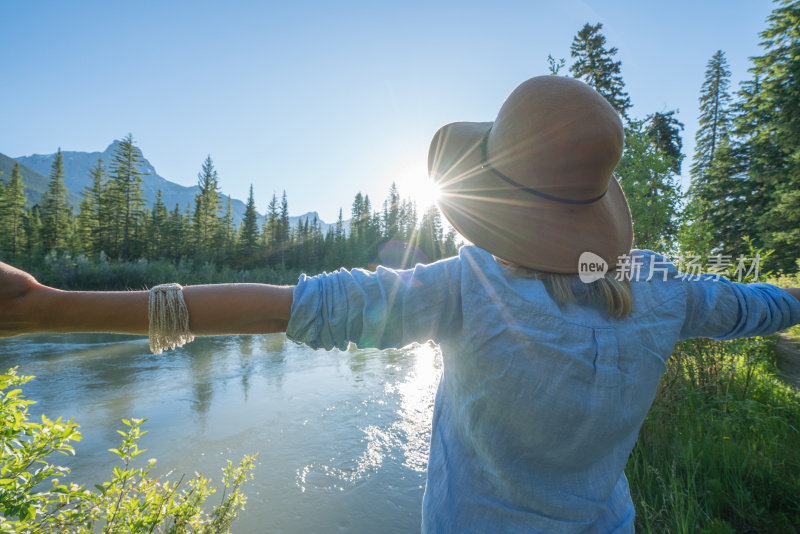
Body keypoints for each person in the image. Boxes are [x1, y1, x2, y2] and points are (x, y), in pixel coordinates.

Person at [1, 75, 799, 533]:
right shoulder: (665, 290)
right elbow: (758, 306)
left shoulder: (467, 290)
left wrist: (47, 306)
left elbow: (288, 307)